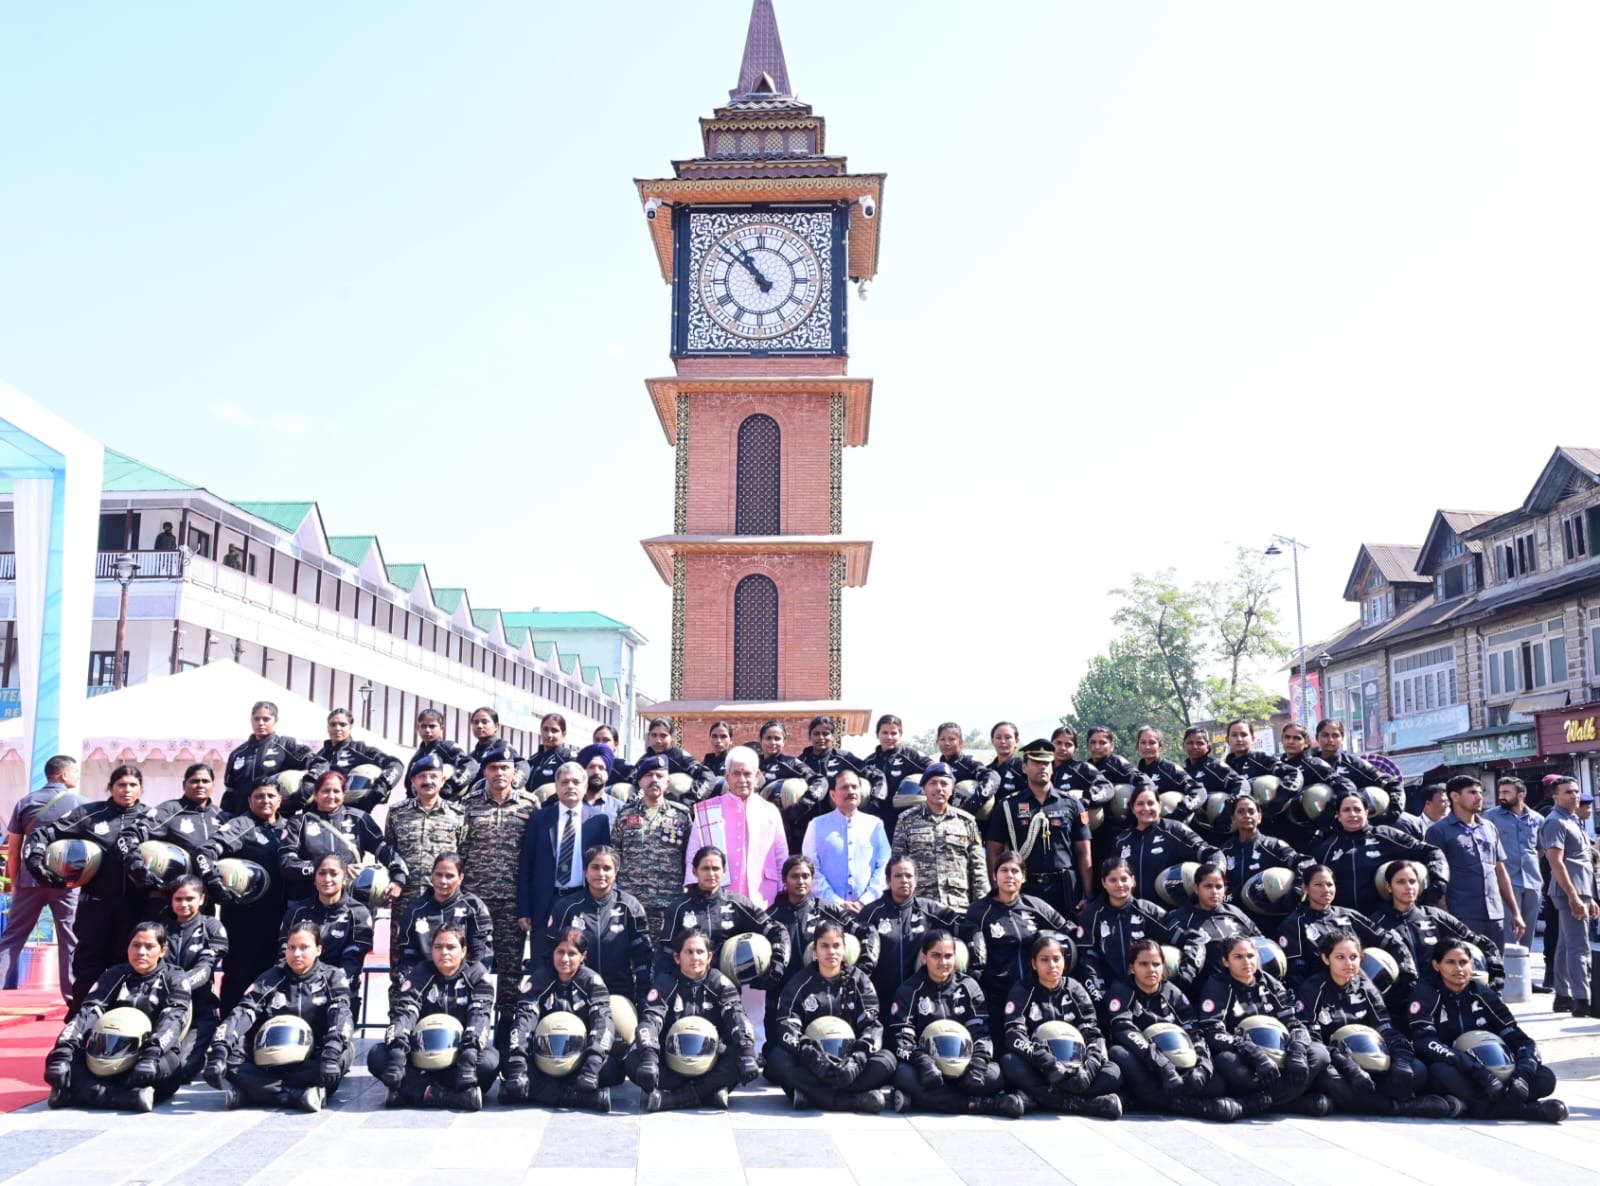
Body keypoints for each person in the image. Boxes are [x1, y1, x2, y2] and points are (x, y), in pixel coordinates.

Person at [24, 763, 159, 1012]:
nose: (126, 790)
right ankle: (77, 1025)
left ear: (141, 789)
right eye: (121, 785)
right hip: (95, 908)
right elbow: (43, 834)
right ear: (110, 787)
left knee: (131, 971)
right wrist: (37, 863)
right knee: (87, 969)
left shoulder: (152, 818)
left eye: (132, 785)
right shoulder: (89, 814)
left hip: (137, 911)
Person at [1294, 929, 1455, 1117]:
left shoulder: (1365, 986)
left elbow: (1386, 1028)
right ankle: (1402, 1107)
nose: (1349, 963)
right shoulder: (1312, 988)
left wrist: (1401, 1061)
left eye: (1354, 957)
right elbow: (1313, 1040)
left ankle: (1366, 1102)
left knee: (1417, 1070)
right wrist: (1349, 1067)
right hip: (1337, 1063)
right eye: (1340, 957)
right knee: (1331, 1079)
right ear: (1326, 959)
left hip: (1371, 1059)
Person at [1409, 936, 1567, 1122]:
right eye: (1450, 962)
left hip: (1492, 1068)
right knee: (1439, 1073)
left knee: (1545, 1078)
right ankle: (1525, 1110)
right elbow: (1424, 1041)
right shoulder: (1425, 992)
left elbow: (1518, 1037)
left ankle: (1481, 1107)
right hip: (1456, 1068)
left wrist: (1521, 1076)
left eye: (1464, 962)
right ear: (1437, 965)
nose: (1458, 969)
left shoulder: (1483, 993)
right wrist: (1479, 1073)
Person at [204, 921, 353, 1112]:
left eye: (304, 947)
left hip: (314, 1059)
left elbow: (342, 1015)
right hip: (270, 1060)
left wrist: (332, 1052)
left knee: (340, 1057)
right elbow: (244, 1010)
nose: (296, 954)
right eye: (291, 948)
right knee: (228, 1061)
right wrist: (219, 1050)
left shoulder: (332, 977)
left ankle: (254, 1092)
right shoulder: (272, 976)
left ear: (318, 949)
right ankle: (297, 1095)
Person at [42, 921, 190, 1111]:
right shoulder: (114, 974)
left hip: (149, 1056)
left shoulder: (175, 978)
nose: (141, 952)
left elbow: (174, 1019)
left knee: (165, 1072)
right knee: (56, 1062)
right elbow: (89, 1011)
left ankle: (79, 1093)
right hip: (104, 1056)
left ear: (162, 951)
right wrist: (64, 1051)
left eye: (149, 946)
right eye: (136, 946)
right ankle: (128, 1098)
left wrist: (151, 1055)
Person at [1101, 938, 1242, 1121]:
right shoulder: (1121, 990)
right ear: (1132, 967)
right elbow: (1124, 1030)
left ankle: (1163, 1101)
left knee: (1216, 1085)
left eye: (1156, 964)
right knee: (1118, 1053)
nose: (1151, 970)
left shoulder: (1173, 992)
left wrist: (1203, 1067)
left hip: (1177, 1061)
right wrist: (1163, 1067)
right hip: (1146, 1062)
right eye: (1143, 964)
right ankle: (1192, 1106)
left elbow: (1194, 1031)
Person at [1193, 934, 1331, 1116]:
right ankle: (1290, 1102)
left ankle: (1258, 1103)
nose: (1247, 962)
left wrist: (1296, 1051)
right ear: (1225, 961)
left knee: (1320, 1054)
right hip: (1246, 1057)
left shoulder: (1271, 983)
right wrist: (1254, 1054)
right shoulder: (1217, 986)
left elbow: (1295, 1024)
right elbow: (1213, 1032)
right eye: (1238, 957)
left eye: (1251, 956)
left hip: (1280, 1052)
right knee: (1227, 1062)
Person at [888, 930, 1022, 1116]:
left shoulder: (970, 987)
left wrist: (977, 1064)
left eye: (948, 956)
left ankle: (927, 1100)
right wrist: (924, 1063)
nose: (943, 962)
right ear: (924, 957)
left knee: (995, 1075)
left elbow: (981, 1033)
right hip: (927, 1069)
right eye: (936, 956)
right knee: (902, 1075)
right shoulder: (909, 990)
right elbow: (902, 1038)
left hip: (964, 1068)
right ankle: (984, 1105)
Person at [768, 920, 898, 1112]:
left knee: (888, 1061)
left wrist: (857, 1059)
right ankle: (854, 1100)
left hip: (851, 1062)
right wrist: (812, 1056)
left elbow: (872, 1026)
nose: (831, 952)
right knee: (777, 1059)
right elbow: (786, 1025)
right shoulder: (799, 982)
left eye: (836, 946)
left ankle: (812, 1096)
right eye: (825, 946)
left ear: (845, 949)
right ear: (815, 950)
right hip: (813, 1063)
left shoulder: (860, 980)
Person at [628, 928, 760, 1112]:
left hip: (711, 1061)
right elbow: (650, 1020)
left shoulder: (720, 983)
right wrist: (649, 1057)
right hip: (672, 1061)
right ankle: (709, 1092)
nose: (695, 957)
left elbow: (737, 1016)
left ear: (709, 957)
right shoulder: (665, 983)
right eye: (688, 952)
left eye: (700, 952)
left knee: (745, 1056)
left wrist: (746, 1048)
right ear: (677, 957)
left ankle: (676, 1098)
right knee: (634, 1059)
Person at [369, 924, 498, 1111]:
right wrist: (397, 1050)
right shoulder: (421, 972)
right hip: (421, 1058)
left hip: (460, 1061)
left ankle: (412, 1092)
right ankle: (449, 1097)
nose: (444, 952)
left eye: (451, 947)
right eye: (438, 947)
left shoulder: (478, 975)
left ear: (463, 951)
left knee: (490, 1063)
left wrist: (469, 1055)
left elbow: (480, 1017)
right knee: (377, 1056)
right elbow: (404, 1012)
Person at [458, 743, 537, 1038]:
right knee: (471, 964)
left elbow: (534, 857)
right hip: (474, 901)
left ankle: (505, 1030)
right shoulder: (469, 805)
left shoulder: (529, 805)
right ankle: (470, 1025)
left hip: (512, 901)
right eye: (493, 768)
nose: (499, 773)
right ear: (485, 771)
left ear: (514, 772)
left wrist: (527, 905)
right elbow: (460, 850)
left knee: (510, 969)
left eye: (505, 768)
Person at [998, 932, 1122, 1118]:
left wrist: (1088, 1070)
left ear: (1064, 961)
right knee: (1009, 1062)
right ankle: (1081, 1104)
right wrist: (1045, 1061)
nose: (1052, 965)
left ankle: (1039, 1099)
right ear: (1034, 963)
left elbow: (1092, 1034)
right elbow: (1013, 1034)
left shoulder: (1075, 989)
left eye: (1056, 959)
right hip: (1042, 1068)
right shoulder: (1023, 989)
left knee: (1114, 1072)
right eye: (1044, 960)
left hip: (1075, 1066)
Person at [501, 926, 622, 1111]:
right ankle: (577, 1098)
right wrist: (518, 1063)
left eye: (572, 953)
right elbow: (523, 1021)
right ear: (553, 953)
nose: (565, 959)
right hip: (543, 1060)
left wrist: (592, 1065)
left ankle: (532, 1093)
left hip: (579, 1060)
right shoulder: (539, 980)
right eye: (560, 952)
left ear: (583, 956)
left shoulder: (592, 982)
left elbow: (603, 1023)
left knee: (613, 1070)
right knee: (506, 1064)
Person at [763, 854, 880, 1042]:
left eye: (806, 876)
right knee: (778, 1052)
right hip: (782, 995)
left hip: (823, 995)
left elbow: (866, 931)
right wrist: (767, 978)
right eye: (794, 876)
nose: (801, 881)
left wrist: (865, 966)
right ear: (784, 879)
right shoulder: (771, 916)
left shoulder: (828, 910)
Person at [198, 777, 287, 1011]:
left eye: (270, 796)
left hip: (281, 918)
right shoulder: (240, 826)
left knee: (274, 977)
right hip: (243, 919)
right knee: (238, 975)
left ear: (280, 800)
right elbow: (204, 853)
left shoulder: (291, 829)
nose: (265, 800)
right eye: (259, 796)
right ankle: (226, 1035)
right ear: (249, 800)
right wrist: (213, 882)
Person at [0, 754, 85, 995]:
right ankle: (73, 998)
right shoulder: (81, 803)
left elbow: (14, 851)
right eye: (75, 772)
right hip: (67, 880)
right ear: (64, 775)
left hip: (30, 878)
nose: (77, 777)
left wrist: (15, 882)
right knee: (70, 938)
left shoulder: (26, 802)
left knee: (12, 938)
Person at [384, 756, 468, 988]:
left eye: (433, 776)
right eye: (422, 776)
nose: (428, 781)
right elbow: (390, 852)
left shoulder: (458, 814)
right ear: (413, 781)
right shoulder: (397, 812)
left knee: (446, 961)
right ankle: (399, 1019)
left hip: (444, 903)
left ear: (443, 780)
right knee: (401, 965)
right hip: (407, 901)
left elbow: (463, 856)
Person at [1370, 860, 1503, 1008]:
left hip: (1442, 1003)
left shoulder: (1436, 916)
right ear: (1388, 886)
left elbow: (1482, 944)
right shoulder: (1375, 924)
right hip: (1398, 1007)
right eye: (1401, 882)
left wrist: (1494, 985)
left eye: (1413, 881)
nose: (1408, 887)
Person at [963, 850, 1072, 1028]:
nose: (1009, 876)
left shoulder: (1035, 906)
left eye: (1015, 871)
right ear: (994, 876)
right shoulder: (979, 911)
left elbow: (1069, 930)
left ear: (1024, 877)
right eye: (1004, 870)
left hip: (1033, 996)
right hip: (996, 998)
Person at [984, 739, 1092, 914]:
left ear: (1052, 767)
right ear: (1024, 767)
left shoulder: (1071, 804)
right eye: (1036, 762)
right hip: (1026, 887)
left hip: (1065, 889)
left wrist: (1087, 895)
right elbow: (993, 850)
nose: (1042, 767)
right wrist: (998, 891)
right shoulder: (1008, 805)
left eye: (1047, 763)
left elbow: (1084, 853)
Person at [1074, 858, 1202, 1005]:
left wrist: (1185, 974)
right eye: (1113, 880)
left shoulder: (1147, 911)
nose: (1119, 884)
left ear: (1133, 881)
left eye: (1124, 879)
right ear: (1104, 883)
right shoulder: (1091, 915)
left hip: (1149, 995)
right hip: (1111, 996)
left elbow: (1192, 939)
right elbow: (1087, 961)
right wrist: (1099, 995)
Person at [658, 846, 790, 981]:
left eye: (716, 868)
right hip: (688, 985)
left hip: (729, 986)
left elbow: (776, 930)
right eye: (705, 868)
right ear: (694, 871)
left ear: (724, 871)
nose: (711, 873)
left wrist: (776, 967)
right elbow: (665, 953)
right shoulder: (678, 908)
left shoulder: (737, 903)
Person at [1276, 863, 1414, 992]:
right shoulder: (1294, 924)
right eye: (1318, 885)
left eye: (1330, 884)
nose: (1326, 890)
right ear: (1305, 888)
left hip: (1360, 990)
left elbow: (1389, 940)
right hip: (1322, 994)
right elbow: (1296, 973)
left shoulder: (1349, 915)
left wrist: (1408, 972)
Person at [516, 762, 611, 949]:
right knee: (542, 964)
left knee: (580, 960)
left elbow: (605, 867)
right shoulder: (539, 819)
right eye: (565, 782)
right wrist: (524, 909)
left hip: (583, 899)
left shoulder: (598, 821)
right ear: (556, 786)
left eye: (576, 782)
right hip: (546, 902)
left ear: (585, 787)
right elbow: (526, 865)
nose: (570, 786)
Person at [277, 769, 408, 903]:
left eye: (336, 791)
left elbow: (385, 850)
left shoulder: (360, 819)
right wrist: (333, 870)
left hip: (349, 906)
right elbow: (287, 864)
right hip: (305, 904)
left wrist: (398, 878)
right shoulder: (299, 822)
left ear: (344, 794)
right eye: (325, 791)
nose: (331, 796)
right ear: (315, 794)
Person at [543, 846, 652, 1004]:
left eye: (607, 868)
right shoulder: (566, 906)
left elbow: (643, 956)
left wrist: (643, 998)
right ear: (585, 871)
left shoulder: (630, 906)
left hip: (619, 994)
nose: (601, 873)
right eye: (595, 867)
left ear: (616, 873)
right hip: (576, 993)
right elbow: (549, 954)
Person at [857, 855, 968, 1009]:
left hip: (921, 1002)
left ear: (916, 879)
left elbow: (966, 926)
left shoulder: (930, 910)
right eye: (898, 875)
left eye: (909, 875)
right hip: (880, 1000)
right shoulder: (871, 913)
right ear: (888, 880)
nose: (904, 880)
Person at [685, 744, 788, 907]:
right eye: (736, 774)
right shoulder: (708, 810)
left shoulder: (770, 811)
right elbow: (694, 851)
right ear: (727, 776)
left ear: (757, 775)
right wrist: (693, 887)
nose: (742, 780)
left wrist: (784, 889)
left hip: (763, 896)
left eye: (747, 774)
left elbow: (781, 854)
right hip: (717, 897)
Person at [1312, 792, 1446, 916]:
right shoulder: (1327, 847)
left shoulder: (1385, 835)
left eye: (1357, 809)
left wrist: (1439, 882)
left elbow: (1432, 852)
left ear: (1366, 812)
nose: (1353, 814)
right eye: (1346, 810)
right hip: (1346, 921)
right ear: (1338, 816)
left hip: (1388, 921)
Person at [1426, 775, 1522, 943]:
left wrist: (1515, 912)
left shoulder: (1489, 827)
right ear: (1455, 796)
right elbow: (1434, 877)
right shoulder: (1439, 831)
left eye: (1480, 792)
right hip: (1461, 915)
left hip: (1494, 914)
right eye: (1472, 792)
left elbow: (1500, 871)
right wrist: (1445, 916)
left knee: (1497, 966)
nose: (1479, 797)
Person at [278, 855, 374, 1017]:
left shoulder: (358, 913)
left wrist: (326, 985)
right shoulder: (297, 911)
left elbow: (352, 963)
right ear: (314, 879)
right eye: (321, 873)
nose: (327, 879)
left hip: (339, 991)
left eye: (333, 873)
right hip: (298, 990)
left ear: (344, 878)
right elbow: (283, 956)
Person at [612, 753, 692, 938]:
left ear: (667, 782)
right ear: (640, 781)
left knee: (664, 957)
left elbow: (688, 858)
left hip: (668, 902)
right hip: (631, 901)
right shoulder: (625, 815)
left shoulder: (681, 815)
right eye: (648, 775)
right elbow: (615, 855)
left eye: (659, 776)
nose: (654, 780)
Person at [890, 761, 990, 910]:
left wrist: (982, 910)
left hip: (958, 906)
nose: (939, 788)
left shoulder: (966, 822)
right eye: (933, 783)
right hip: (920, 907)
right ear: (924, 788)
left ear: (952, 789)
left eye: (944, 783)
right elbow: (897, 866)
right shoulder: (906, 820)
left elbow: (978, 869)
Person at [159, 875, 228, 1081]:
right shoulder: (160, 929)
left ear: (202, 899)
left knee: (179, 1071)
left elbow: (206, 968)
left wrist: (179, 985)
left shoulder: (212, 927)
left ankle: (198, 1057)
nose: (184, 904)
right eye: (178, 899)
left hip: (200, 1011)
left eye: (190, 898)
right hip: (165, 1009)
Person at [1537, 775, 1596, 1016]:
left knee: (1565, 945)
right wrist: (1573, 896)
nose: (1573, 796)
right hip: (1569, 890)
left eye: (1575, 791)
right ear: (1555, 796)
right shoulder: (1555, 821)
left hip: (1580, 889)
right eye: (1567, 792)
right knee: (1579, 947)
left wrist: (1589, 896)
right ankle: (1582, 1000)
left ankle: (1562, 996)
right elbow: (1555, 861)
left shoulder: (1572, 820)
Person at [129, 762, 225, 901]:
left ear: (213, 785)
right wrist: (138, 868)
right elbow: (129, 836)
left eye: (205, 781)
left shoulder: (222, 816)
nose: (200, 785)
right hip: (170, 898)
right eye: (194, 781)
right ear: (184, 785)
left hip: (205, 899)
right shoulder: (169, 810)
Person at [802, 767, 891, 914]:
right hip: (827, 910)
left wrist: (865, 901)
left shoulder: (875, 825)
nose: (851, 791)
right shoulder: (816, 825)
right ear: (833, 794)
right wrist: (836, 902)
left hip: (869, 909)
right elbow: (811, 869)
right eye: (844, 787)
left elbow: (884, 867)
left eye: (854, 787)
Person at [1112, 781, 1218, 903]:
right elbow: (1112, 878)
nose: (1146, 808)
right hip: (1134, 915)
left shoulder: (1174, 830)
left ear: (1160, 805)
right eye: (1140, 804)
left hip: (1169, 916)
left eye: (1151, 803)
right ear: (1132, 808)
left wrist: (1212, 878)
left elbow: (1213, 853)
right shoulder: (1121, 840)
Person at [1219, 794, 1313, 929]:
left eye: (1251, 811)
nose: (1247, 815)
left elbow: (1306, 863)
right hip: (1236, 924)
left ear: (1259, 817)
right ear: (1233, 818)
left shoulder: (1273, 846)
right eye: (1241, 811)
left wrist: (1296, 890)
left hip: (1272, 922)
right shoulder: (1224, 851)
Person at [394, 852, 493, 981]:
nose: (443, 881)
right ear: (432, 876)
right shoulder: (414, 910)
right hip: (423, 985)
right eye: (439, 875)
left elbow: (481, 955)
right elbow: (407, 956)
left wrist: (469, 983)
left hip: (463, 984)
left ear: (461, 878)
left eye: (450, 876)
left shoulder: (474, 908)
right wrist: (411, 983)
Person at [1165, 861, 1262, 978]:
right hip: (1207, 991)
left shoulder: (1234, 912)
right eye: (1208, 886)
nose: (1214, 892)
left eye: (1219, 886)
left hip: (1244, 986)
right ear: (1196, 888)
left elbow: (1259, 941)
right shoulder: (1179, 918)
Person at [220, 701, 315, 817]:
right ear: (251, 720)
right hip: (243, 823)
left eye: (266, 719)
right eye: (256, 719)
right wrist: (224, 817)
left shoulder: (288, 746)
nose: (260, 723)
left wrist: (306, 788)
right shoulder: (237, 753)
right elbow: (230, 793)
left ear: (275, 720)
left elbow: (320, 763)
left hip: (277, 823)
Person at [796, 715, 888, 831]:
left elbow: (878, 776)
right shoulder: (800, 762)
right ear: (810, 736)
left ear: (833, 736)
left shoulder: (845, 758)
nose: (821, 737)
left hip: (842, 826)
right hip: (808, 826)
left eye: (826, 733)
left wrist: (874, 803)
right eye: (816, 733)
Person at [1484, 776, 1544, 952]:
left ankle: (1524, 975)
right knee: (1508, 933)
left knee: (1528, 932)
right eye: (1500, 792)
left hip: (1533, 882)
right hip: (1506, 882)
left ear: (1520, 794)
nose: (1501, 796)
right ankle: (1508, 976)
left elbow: (1540, 849)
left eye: (1506, 792)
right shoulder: (1490, 817)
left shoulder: (1537, 819)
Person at [304, 707, 404, 811]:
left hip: (353, 813)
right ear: (327, 727)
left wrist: (378, 791)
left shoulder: (360, 749)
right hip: (319, 813)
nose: (337, 728)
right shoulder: (321, 754)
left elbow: (396, 764)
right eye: (333, 724)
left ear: (350, 726)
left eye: (343, 724)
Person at [755, 721, 828, 848]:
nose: (773, 742)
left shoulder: (792, 763)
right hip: (759, 827)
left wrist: (803, 804)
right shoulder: (753, 765)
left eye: (777, 738)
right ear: (760, 740)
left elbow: (820, 781)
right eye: (768, 738)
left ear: (784, 741)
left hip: (790, 830)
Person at [1314, 720, 1402, 825]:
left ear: (1342, 739)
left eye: (1336, 735)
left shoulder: (1355, 764)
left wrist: (1393, 812)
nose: (1330, 739)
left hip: (1351, 829)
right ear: (1317, 737)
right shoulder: (1308, 764)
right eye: (1325, 735)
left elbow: (1392, 783)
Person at [863, 713, 932, 820]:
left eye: (894, 733)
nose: (889, 737)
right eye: (884, 733)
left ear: (900, 734)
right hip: (876, 818)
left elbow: (937, 770)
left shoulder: (911, 756)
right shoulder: (869, 761)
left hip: (907, 817)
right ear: (877, 734)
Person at [1131, 726, 1206, 824]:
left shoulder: (1170, 769)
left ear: (1160, 746)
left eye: (1152, 742)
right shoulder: (1136, 773)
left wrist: (1183, 809)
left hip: (1171, 827)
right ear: (1138, 746)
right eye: (1143, 742)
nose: (1147, 747)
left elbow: (1198, 790)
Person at [1180, 726, 1249, 830]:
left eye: (1200, 743)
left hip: (1219, 828)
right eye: (1190, 743)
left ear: (1208, 746)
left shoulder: (1216, 767)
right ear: (1184, 745)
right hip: (1192, 829)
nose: (1195, 747)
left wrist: (1230, 807)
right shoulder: (1182, 772)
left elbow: (1242, 783)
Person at [639, 716, 717, 803]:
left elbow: (708, 776)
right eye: (654, 735)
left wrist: (691, 798)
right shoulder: (644, 760)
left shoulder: (680, 757)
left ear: (673, 738)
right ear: (649, 737)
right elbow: (633, 782)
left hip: (678, 808)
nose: (658, 740)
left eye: (663, 736)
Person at [405, 708, 477, 801]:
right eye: (423, 726)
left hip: (445, 809)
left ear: (442, 728)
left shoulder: (447, 748)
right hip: (420, 809)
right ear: (417, 728)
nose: (427, 730)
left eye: (432, 726)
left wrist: (449, 787)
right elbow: (409, 788)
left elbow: (471, 766)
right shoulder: (416, 757)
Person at [466, 707, 531, 790]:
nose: (479, 726)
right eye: (476, 722)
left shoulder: (503, 748)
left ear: (496, 726)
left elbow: (522, 766)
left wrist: (512, 786)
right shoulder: (471, 756)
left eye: (484, 722)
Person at [1048, 726, 1113, 805]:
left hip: (1072, 814)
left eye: (1068, 745)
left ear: (1075, 749)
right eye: (1058, 743)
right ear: (1050, 745)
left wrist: (1085, 797)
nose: (1062, 748)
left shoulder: (1082, 769)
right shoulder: (1041, 768)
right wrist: (1028, 815)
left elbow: (1107, 788)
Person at [526, 712, 580, 793]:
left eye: (554, 730)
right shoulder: (532, 760)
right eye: (545, 729)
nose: (549, 735)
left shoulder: (568, 758)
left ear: (563, 734)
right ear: (540, 731)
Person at [577, 743, 622, 826]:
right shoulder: (568, 804)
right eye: (591, 767)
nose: (596, 772)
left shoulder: (620, 809)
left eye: (601, 768)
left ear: (608, 774)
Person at [985, 720, 1025, 804]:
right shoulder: (988, 770)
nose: (1003, 741)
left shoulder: (1023, 767)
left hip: (1016, 815)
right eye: (998, 737)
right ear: (992, 741)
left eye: (1008, 737)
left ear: (1016, 741)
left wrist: (1024, 815)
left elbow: (1028, 797)